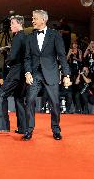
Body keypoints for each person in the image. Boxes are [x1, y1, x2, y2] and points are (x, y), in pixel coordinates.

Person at [23, 10, 71, 141]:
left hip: (51, 72)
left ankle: (56, 129)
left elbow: (61, 56)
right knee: (30, 100)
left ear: (43, 20)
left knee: (55, 103)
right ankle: (29, 130)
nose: (32, 21)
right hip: (35, 73)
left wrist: (66, 75)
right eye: (32, 18)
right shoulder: (29, 37)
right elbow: (27, 58)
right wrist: (27, 72)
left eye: (35, 18)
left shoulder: (55, 35)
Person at [0, 15, 27, 134]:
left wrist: (6, 58)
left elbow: (12, 57)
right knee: (19, 98)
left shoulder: (17, 37)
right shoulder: (25, 37)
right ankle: (23, 128)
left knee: (1, 95)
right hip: (23, 73)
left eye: (12, 23)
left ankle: (1, 126)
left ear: (19, 24)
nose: (11, 26)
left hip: (15, 72)